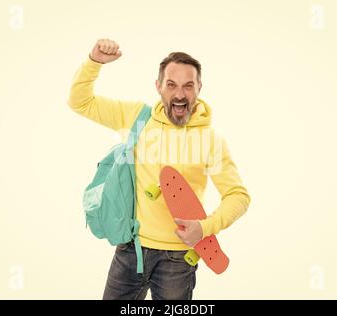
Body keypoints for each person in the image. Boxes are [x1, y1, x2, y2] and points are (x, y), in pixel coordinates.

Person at [68, 38, 250, 300]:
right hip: (132, 249)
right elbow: (79, 102)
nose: (179, 94)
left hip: (178, 260)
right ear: (158, 87)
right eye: (171, 85)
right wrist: (93, 62)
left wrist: (206, 227)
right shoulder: (136, 118)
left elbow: (238, 196)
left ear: (199, 87)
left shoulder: (210, 141)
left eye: (188, 86)